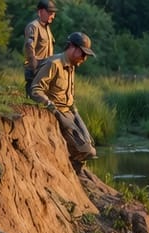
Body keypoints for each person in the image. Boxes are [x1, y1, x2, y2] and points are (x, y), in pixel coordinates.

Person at [30, 31, 97, 175]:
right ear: (72, 47)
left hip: (70, 112)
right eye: (82, 53)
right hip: (58, 113)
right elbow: (35, 90)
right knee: (86, 150)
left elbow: (68, 94)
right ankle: (68, 169)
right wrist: (52, 108)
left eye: (86, 55)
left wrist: (75, 111)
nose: (84, 58)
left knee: (91, 146)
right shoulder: (53, 64)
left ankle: (75, 170)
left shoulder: (72, 66)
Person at [23, 0, 56, 96]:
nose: (53, 16)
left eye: (53, 13)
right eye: (50, 13)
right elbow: (29, 47)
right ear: (40, 12)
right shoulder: (33, 26)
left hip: (44, 72)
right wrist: (35, 69)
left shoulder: (47, 28)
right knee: (33, 100)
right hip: (36, 71)